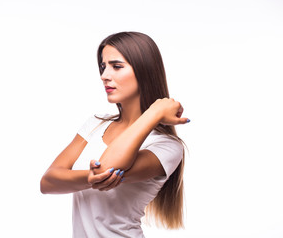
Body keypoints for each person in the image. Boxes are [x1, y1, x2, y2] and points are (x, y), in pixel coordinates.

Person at [40, 31, 190, 238]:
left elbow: (110, 165)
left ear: (144, 71)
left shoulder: (167, 146)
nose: (104, 76)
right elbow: (47, 182)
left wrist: (153, 113)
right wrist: (89, 177)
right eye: (103, 67)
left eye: (116, 66)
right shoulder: (95, 124)